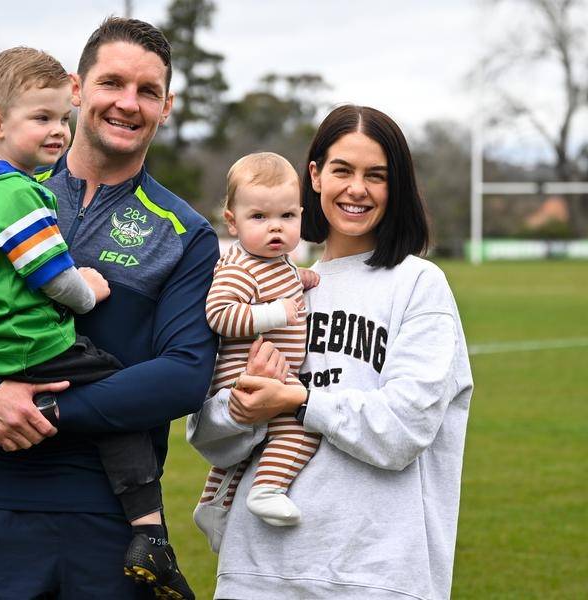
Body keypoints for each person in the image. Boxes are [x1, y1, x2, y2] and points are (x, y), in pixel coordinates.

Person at [0, 18, 218, 600]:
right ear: (78, 89)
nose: (127, 104)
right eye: (111, 83)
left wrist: (47, 411)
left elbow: (185, 374)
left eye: (148, 91)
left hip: (112, 523)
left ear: (167, 106)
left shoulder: (185, 232)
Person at [188, 104, 473, 599]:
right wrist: (241, 408)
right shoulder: (264, 285)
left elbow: (403, 431)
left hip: (376, 577)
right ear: (315, 177)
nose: (356, 189)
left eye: (376, 176)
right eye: (342, 170)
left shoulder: (419, 285)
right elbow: (208, 438)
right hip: (257, 573)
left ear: (396, 186)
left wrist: (297, 400)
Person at [193, 152, 321, 551]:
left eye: (286, 216)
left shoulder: (276, 264)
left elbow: (279, 279)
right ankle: (268, 489)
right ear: (232, 221)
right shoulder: (237, 266)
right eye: (259, 218)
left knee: (245, 452)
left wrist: (303, 278)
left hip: (270, 374)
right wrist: (274, 313)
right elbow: (220, 314)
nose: (275, 229)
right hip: (245, 374)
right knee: (300, 430)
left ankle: (213, 505)